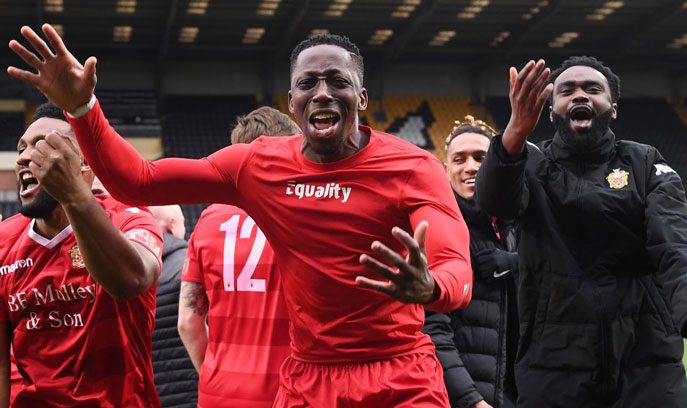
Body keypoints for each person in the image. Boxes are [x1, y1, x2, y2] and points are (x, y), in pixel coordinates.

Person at [8, 26, 472, 407]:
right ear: (291, 102)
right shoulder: (257, 164)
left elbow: (457, 268)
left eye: (338, 82)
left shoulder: (414, 167)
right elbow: (139, 181)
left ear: (363, 97)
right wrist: (82, 108)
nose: (323, 93)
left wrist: (431, 287)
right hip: (309, 379)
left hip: (398, 374)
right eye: (308, 84)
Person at [476, 56, 687, 407]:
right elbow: (493, 203)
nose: (580, 96)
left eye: (593, 89)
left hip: (647, 364)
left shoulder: (645, 163)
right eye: (567, 90)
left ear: (613, 109)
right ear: (550, 110)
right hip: (552, 365)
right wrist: (515, 130)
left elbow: (677, 243)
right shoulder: (528, 163)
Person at [0, 102, 163, 407]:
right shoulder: (3, 243)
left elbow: (134, 279)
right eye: (22, 148)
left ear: (84, 163)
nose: (23, 157)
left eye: (42, 146)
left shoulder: (129, 220)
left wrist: (73, 194)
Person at [178, 106, 299, 407]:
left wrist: (217, 372)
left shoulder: (209, 219)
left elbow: (188, 322)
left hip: (218, 392)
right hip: (290, 392)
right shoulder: (302, 215)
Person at [424, 116, 519, 408]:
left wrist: (518, 264)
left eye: (481, 157)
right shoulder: (435, 231)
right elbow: (432, 330)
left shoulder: (521, 227)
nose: (471, 167)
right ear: (445, 169)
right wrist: (471, 400)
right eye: (459, 159)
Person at [148, 205, 198, 407]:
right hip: (193, 394)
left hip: (149, 395)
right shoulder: (189, 265)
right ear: (171, 225)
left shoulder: (124, 274)